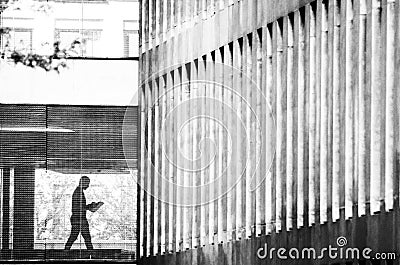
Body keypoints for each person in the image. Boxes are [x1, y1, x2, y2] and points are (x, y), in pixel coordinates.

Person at [65, 176, 95, 250]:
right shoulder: (78, 192)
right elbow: (78, 207)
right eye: (87, 183)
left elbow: (79, 206)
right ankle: (91, 253)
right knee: (85, 237)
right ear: (83, 183)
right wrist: (89, 207)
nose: (88, 186)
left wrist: (89, 206)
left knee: (75, 236)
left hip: (78, 218)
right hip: (79, 218)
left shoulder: (78, 191)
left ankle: (66, 251)